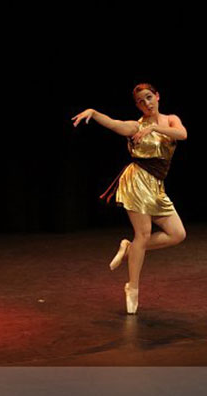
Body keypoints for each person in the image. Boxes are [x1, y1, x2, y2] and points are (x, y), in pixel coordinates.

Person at [71, 83, 187, 315]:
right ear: (137, 106)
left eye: (149, 97)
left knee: (177, 234)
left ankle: (129, 248)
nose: (147, 103)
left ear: (157, 96)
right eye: (141, 102)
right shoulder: (136, 126)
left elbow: (182, 134)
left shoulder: (171, 120)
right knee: (143, 234)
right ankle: (132, 287)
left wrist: (154, 128)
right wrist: (94, 113)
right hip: (137, 181)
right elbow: (115, 124)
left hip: (157, 186)